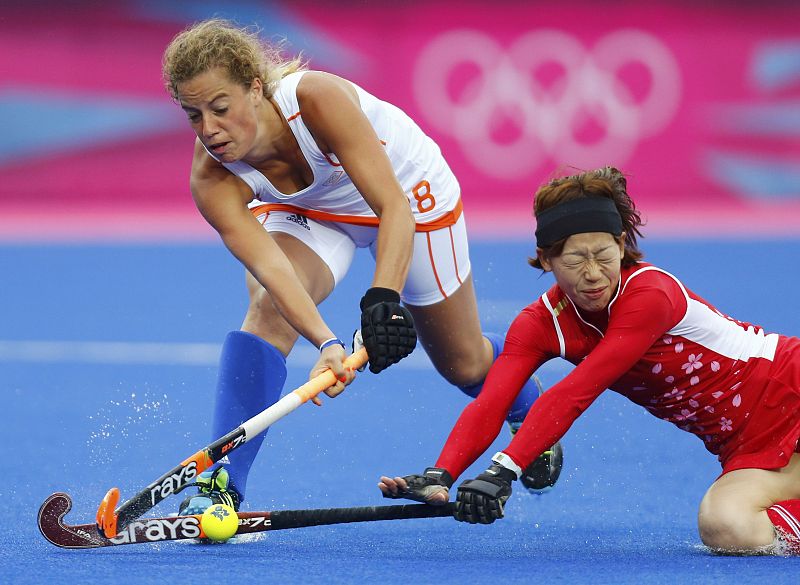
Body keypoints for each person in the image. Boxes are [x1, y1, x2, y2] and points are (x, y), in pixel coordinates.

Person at [160, 19, 563, 515]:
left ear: (256, 88)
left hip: (408, 193)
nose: (209, 130)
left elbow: (393, 207)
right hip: (309, 214)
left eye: (219, 108)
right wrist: (327, 343)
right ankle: (223, 483)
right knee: (268, 311)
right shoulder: (212, 178)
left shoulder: (317, 101)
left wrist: (382, 303)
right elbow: (274, 271)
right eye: (192, 116)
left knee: (464, 363)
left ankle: (528, 409)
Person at [379, 166, 800, 556]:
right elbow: (490, 403)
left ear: (622, 245)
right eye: (575, 259)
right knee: (724, 527)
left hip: (791, 387)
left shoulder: (649, 294)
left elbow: (576, 393)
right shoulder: (538, 324)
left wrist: (502, 471)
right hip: (751, 449)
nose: (594, 273)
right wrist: (441, 475)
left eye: (603, 254)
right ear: (546, 259)